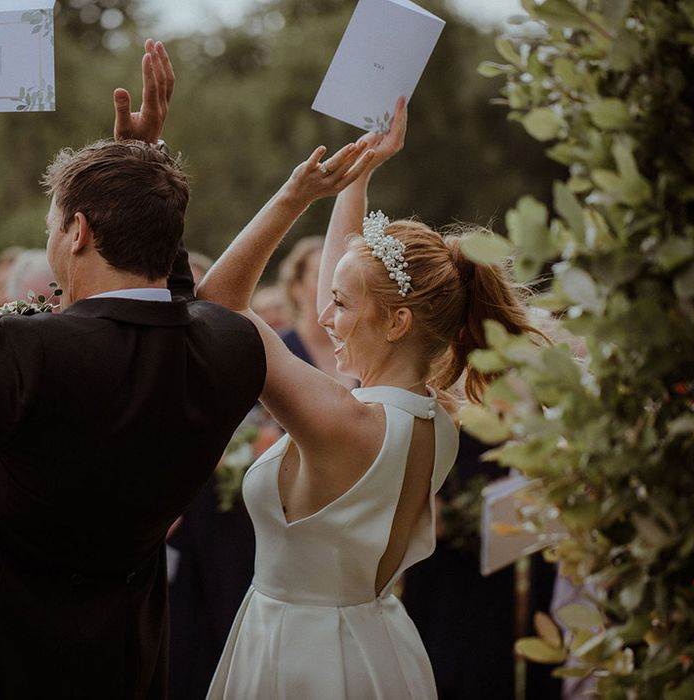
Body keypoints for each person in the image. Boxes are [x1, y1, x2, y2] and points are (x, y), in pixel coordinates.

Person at [198, 98, 546, 698]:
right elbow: (348, 285)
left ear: (397, 323)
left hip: (299, 655)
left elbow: (218, 303)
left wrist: (293, 196)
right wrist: (358, 178)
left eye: (341, 306)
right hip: (379, 646)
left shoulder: (342, 418)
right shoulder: (434, 418)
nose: (325, 318)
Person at [0, 41, 266, 699]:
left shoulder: (24, 351)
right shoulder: (234, 351)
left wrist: (141, 162)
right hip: (129, 662)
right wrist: (141, 166)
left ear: (79, 232)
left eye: (53, 224)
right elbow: (172, 316)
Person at [277, 235, 356, 386]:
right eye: (321, 276)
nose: (333, 284)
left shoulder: (361, 345)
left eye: (337, 274)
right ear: (296, 287)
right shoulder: (280, 348)